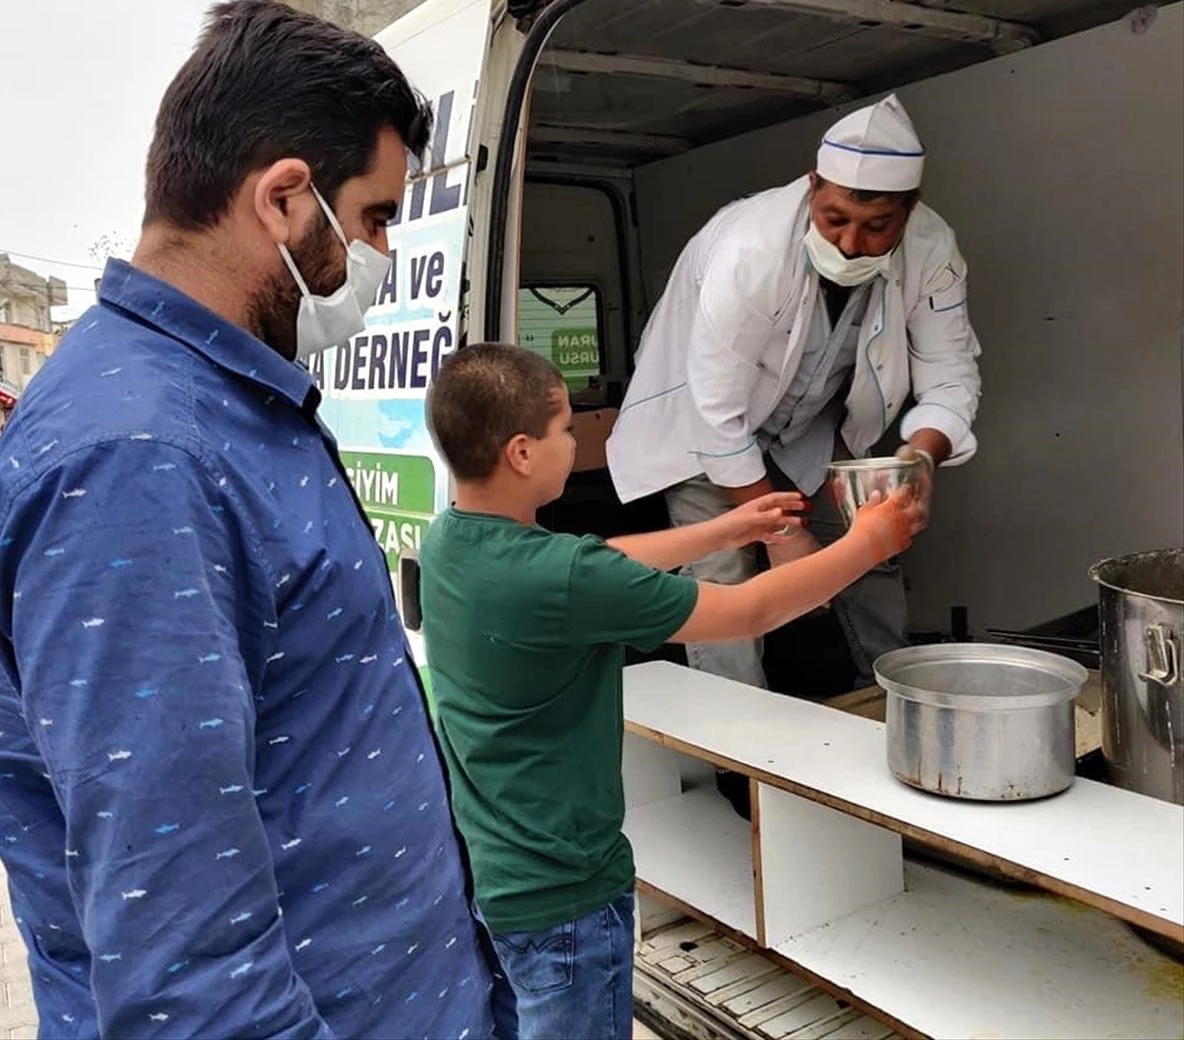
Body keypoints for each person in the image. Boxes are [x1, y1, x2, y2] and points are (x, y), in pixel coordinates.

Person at [0, 0, 510, 1040]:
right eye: (374, 219)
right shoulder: (139, 460)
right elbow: (186, 964)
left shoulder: (215, 400)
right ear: (282, 198)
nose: (383, 256)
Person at [418, 343, 922, 1040]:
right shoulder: (558, 578)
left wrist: (724, 527)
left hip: (501, 878)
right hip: (569, 896)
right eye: (566, 429)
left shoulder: (452, 540)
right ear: (523, 453)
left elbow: (598, 563)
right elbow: (749, 612)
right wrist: (869, 542)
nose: (576, 439)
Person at [606, 94, 981, 692]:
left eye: (876, 226)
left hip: (806, 429)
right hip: (707, 437)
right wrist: (782, 532)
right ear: (813, 186)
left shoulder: (932, 247)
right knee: (723, 585)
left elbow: (951, 371)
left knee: (870, 548)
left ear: (909, 208)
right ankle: (737, 754)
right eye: (835, 219)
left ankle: (892, 700)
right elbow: (715, 414)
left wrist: (920, 458)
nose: (850, 244)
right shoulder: (751, 249)